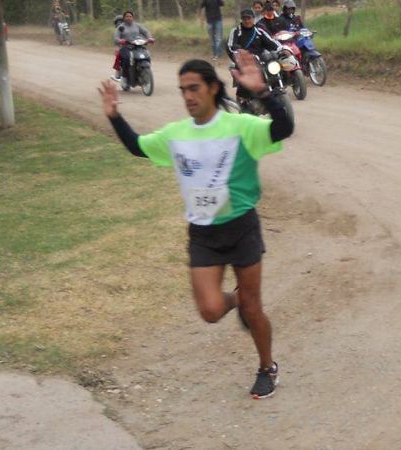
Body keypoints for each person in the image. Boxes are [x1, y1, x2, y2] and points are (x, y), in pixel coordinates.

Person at [97, 54, 293, 399]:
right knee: (211, 310)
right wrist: (115, 116)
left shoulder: (240, 126)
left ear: (213, 88)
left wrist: (264, 92)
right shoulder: (176, 134)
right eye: (182, 90)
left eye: (194, 88)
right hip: (203, 234)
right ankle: (235, 299)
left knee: (255, 307)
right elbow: (137, 146)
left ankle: (267, 367)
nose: (188, 96)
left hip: (242, 226)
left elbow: (283, 129)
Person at [113, 11, 153, 84]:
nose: (129, 18)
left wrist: (150, 38)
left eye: (130, 16)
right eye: (127, 16)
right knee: (126, 58)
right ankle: (125, 76)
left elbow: (146, 32)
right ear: (124, 18)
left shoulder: (138, 25)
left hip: (138, 45)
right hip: (126, 47)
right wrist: (120, 41)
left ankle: (144, 71)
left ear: (133, 17)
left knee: (147, 55)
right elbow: (116, 38)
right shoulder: (121, 27)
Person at [110, 15, 125, 81]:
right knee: (118, 55)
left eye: (121, 21)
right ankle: (118, 73)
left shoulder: (130, 27)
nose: (119, 23)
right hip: (121, 46)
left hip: (132, 45)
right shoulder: (117, 30)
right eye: (118, 22)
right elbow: (116, 40)